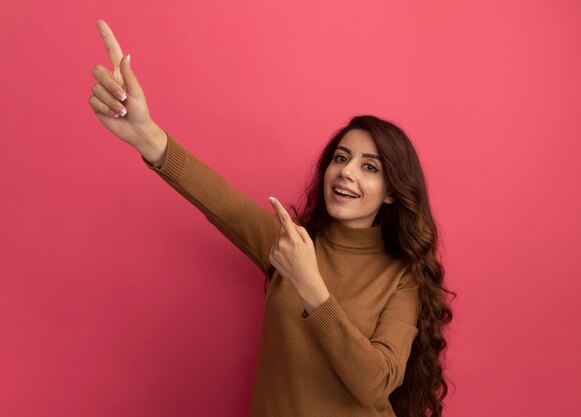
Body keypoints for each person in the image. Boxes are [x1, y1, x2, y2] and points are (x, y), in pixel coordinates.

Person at [89, 19, 455, 417]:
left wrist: (309, 283)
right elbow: (219, 199)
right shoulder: (291, 243)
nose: (347, 172)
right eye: (342, 158)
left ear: (391, 192)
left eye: (370, 167)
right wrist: (143, 131)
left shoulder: (401, 278)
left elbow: (374, 384)